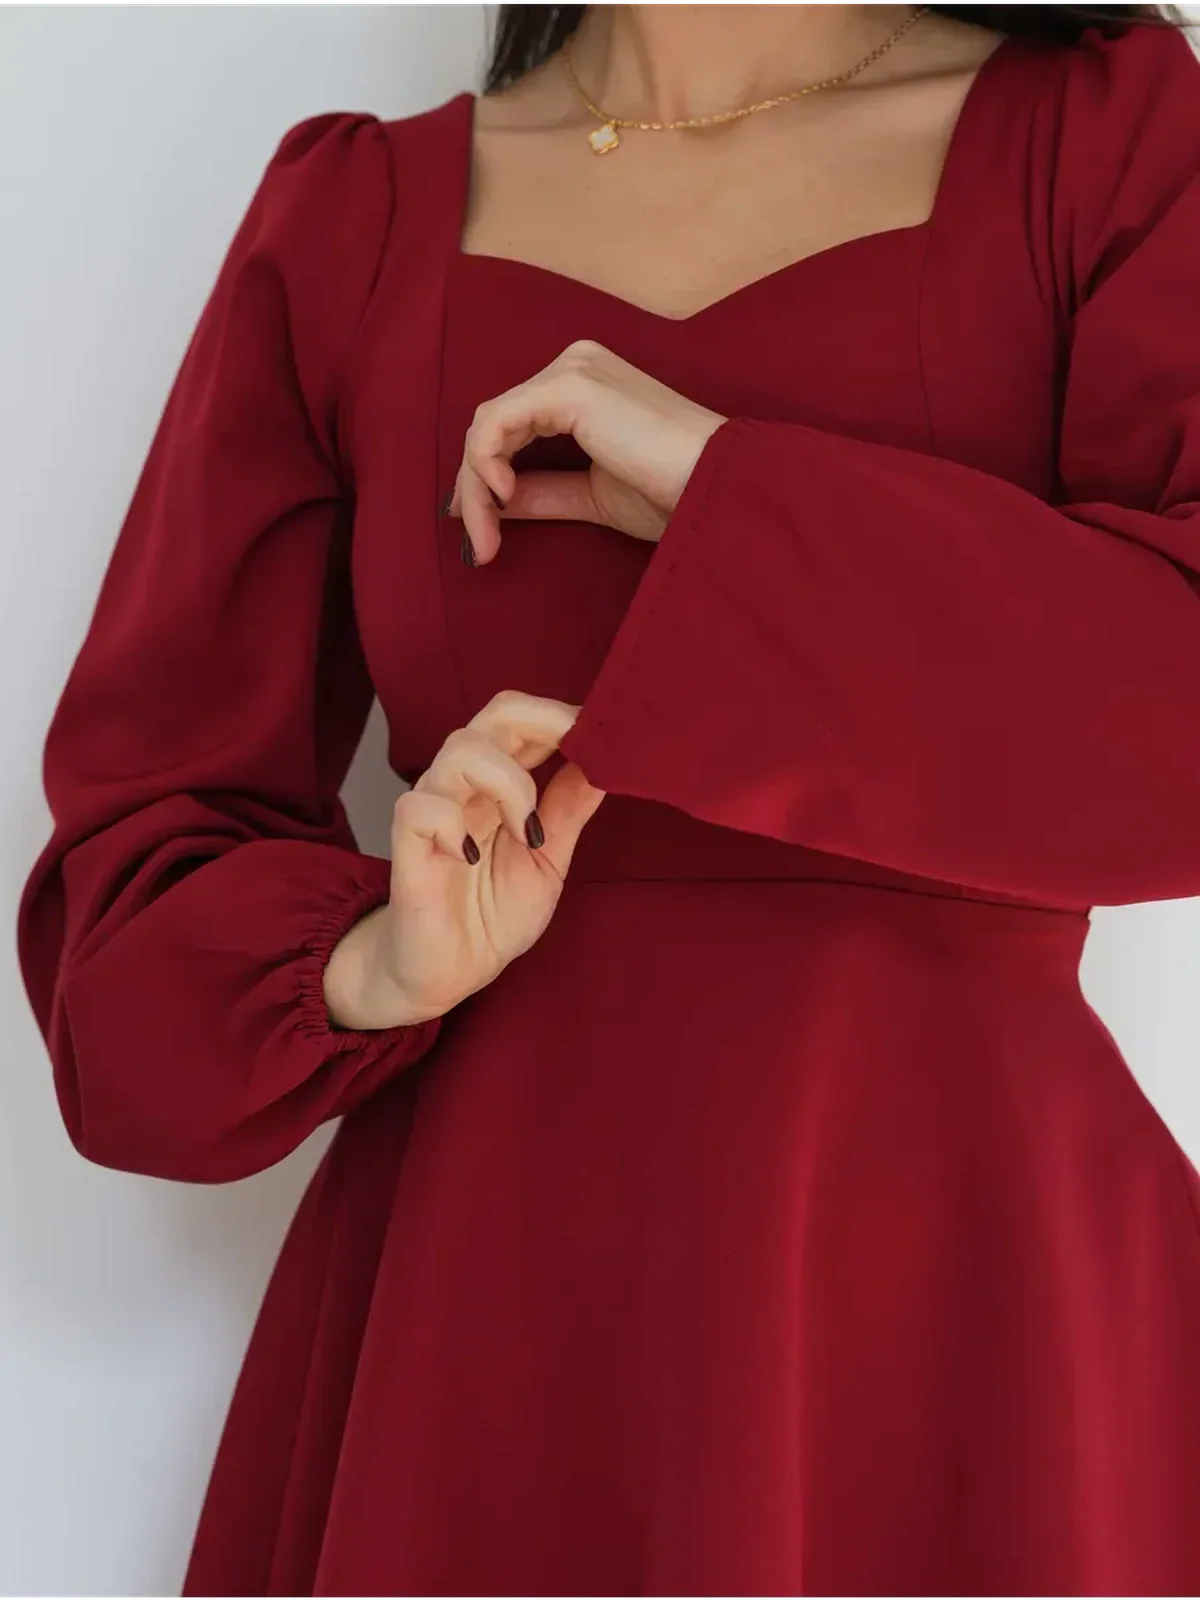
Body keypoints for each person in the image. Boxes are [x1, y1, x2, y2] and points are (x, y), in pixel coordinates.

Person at [16, 0, 1200, 1589]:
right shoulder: (354, 216)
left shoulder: (1107, 132)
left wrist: (726, 492)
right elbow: (130, 942)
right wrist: (368, 964)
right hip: (486, 1320)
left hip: (969, 1316)